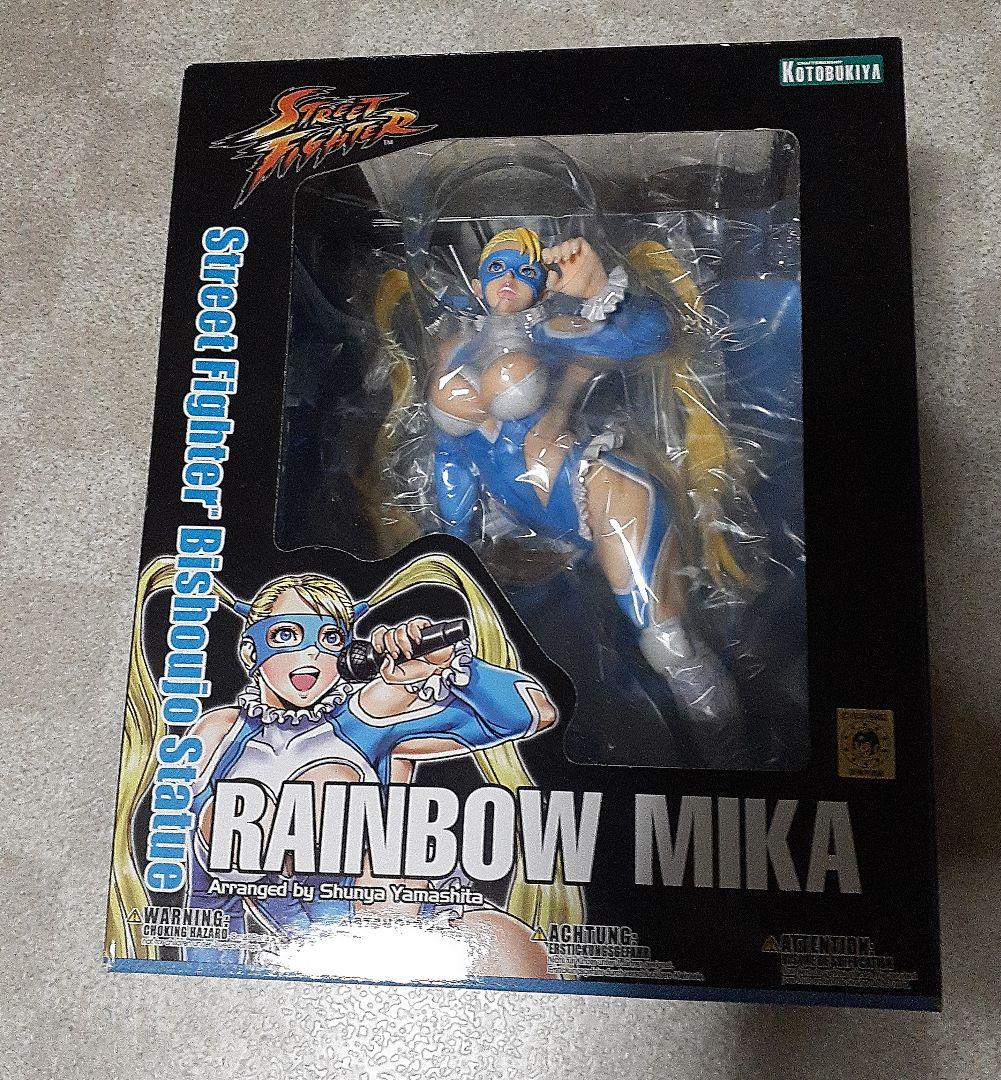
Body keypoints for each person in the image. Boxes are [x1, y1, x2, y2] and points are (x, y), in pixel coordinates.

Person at [107, 552, 582, 975]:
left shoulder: (370, 712)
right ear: (251, 650)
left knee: (509, 954)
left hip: (428, 925)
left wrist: (449, 665)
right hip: (323, 955)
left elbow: (533, 712)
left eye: (329, 637)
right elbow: (205, 898)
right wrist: (207, 984)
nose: (311, 653)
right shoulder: (218, 735)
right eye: (286, 635)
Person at [423, 227, 742, 762]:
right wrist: (455, 540)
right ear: (476, 283)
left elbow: (649, 335)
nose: (509, 280)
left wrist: (597, 291)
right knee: (528, 651)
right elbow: (450, 454)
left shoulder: (548, 330)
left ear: (542, 285)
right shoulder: (454, 348)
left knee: (665, 636)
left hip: (589, 486)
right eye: (497, 268)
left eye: (525, 270)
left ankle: (721, 736)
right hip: (523, 522)